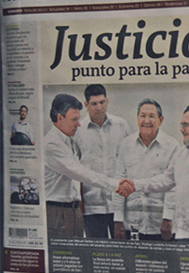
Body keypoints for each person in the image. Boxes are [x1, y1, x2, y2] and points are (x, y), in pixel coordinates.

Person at [120, 100, 189, 243]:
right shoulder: (183, 152)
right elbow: (166, 180)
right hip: (183, 233)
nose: (181, 129)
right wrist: (134, 185)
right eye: (182, 124)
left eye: (186, 125)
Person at [44, 94, 130, 238]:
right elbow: (80, 173)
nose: (78, 124)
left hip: (73, 211)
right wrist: (116, 185)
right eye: (74, 120)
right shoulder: (51, 144)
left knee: (77, 258)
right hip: (58, 212)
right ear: (59, 118)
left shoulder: (69, 140)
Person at [112, 99, 181, 241]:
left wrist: (168, 218)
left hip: (161, 225)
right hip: (132, 224)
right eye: (142, 116)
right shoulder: (126, 144)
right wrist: (118, 220)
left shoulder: (172, 145)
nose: (146, 120)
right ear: (137, 118)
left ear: (160, 120)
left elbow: (173, 186)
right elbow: (119, 182)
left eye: (151, 116)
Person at [74, 84, 131, 239]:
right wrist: (80, 206)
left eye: (102, 102)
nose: (99, 107)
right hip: (92, 206)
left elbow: (130, 163)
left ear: (107, 101)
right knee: (97, 254)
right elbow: (75, 170)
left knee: (124, 252)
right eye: (94, 104)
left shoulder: (121, 125)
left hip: (119, 205)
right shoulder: (77, 130)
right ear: (86, 105)